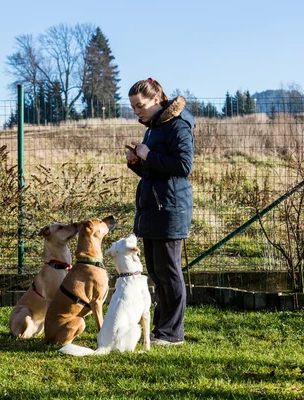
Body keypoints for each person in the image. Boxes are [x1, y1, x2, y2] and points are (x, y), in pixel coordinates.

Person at [125, 78, 195, 346]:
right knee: (156, 272)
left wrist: (148, 155)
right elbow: (155, 172)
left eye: (140, 106)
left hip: (170, 209)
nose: (137, 112)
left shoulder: (178, 125)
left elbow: (183, 166)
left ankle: (172, 333)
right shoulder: (153, 128)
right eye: (133, 107)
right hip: (153, 209)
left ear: (156, 100)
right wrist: (137, 163)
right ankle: (160, 329)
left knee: (169, 272)